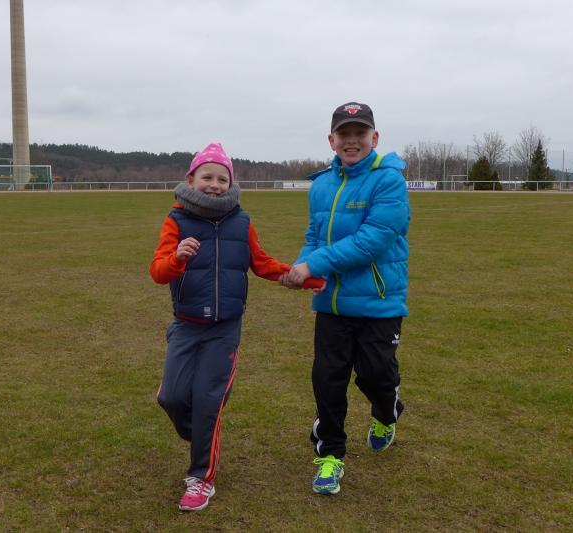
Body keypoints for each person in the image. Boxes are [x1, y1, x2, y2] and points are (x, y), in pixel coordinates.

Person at [150, 142, 321, 511]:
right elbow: (158, 272)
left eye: (222, 179)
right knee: (171, 398)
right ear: (191, 180)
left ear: (231, 183)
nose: (214, 185)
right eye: (207, 177)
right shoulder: (176, 221)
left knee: (208, 402)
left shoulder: (241, 222)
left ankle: (201, 479)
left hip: (224, 329)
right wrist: (177, 258)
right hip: (186, 326)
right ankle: (202, 433)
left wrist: (306, 278)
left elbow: (261, 263)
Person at [281, 102, 411, 495]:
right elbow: (314, 237)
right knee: (328, 381)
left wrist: (315, 263)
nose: (352, 141)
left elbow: (372, 241)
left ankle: (387, 412)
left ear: (375, 138)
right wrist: (302, 268)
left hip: (378, 304)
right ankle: (330, 455)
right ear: (331, 140)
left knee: (376, 376)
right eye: (344, 134)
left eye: (360, 133)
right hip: (332, 305)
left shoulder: (388, 181)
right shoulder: (322, 184)